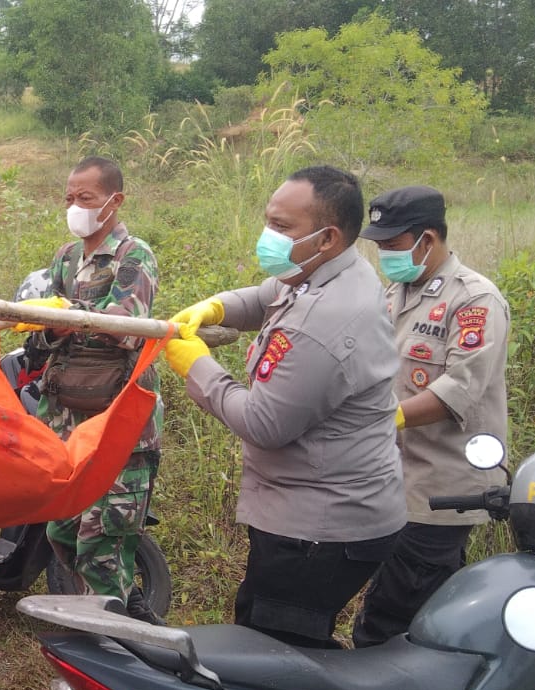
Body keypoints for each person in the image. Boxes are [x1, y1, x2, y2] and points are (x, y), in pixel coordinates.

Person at [164, 165, 405, 649]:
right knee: (261, 625)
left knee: (276, 653)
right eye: (268, 221)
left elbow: (263, 422)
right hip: (315, 509)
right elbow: (267, 295)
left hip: (322, 528)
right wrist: (217, 307)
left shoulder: (325, 320)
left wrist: (198, 367)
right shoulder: (328, 270)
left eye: (281, 227)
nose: (267, 236)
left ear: (326, 237)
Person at [352, 186, 510, 647]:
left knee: (390, 619)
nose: (383, 254)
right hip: (389, 480)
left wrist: (383, 420)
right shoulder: (395, 292)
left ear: (427, 239)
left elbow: (457, 389)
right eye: (378, 245)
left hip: (440, 493)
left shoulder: (474, 300)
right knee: (413, 607)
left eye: (392, 245)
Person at [30, 157, 163, 621]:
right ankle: (105, 617)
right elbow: (38, 332)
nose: (74, 206)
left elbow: (126, 324)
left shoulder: (133, 255)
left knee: (103, 539)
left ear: (114, 201)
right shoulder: (66, 258)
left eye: (84, 198)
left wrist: (68, 316)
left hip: (117, 420)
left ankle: (122, 637)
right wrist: (49, 325)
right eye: (69, 198)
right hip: (66, 418)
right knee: (62, 531)